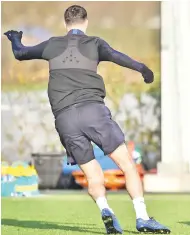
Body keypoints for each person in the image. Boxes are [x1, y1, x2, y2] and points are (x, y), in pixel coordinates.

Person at [4, 5, 170, 235]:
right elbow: (117, 57)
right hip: (93, 112)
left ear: (66, 23)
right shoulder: (95, 43)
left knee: (93, 175)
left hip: (64, 119)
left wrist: (15, 38)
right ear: (86, 22)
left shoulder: (53, 44)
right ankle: (142, 217)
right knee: (127, 164)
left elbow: (21, 53)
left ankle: (105, 209)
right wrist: (142, 69)